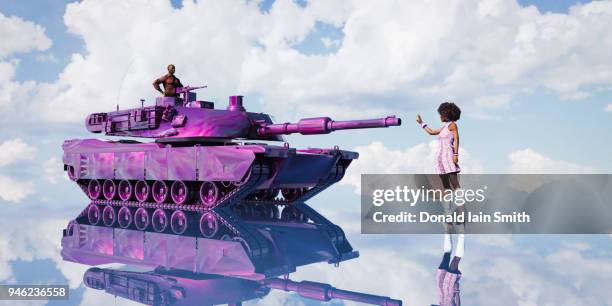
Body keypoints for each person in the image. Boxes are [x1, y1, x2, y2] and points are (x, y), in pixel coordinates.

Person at [416, 102, 463, 306]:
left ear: (448, 114)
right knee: (445, 188)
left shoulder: (453, 126)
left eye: (442, 114)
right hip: (439, 158)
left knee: (454, 185)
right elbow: (431, 132)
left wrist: (455, 155)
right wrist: (421, 123)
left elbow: (457, 142)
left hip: (448, 157)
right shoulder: (443, 128)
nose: (441, 117)